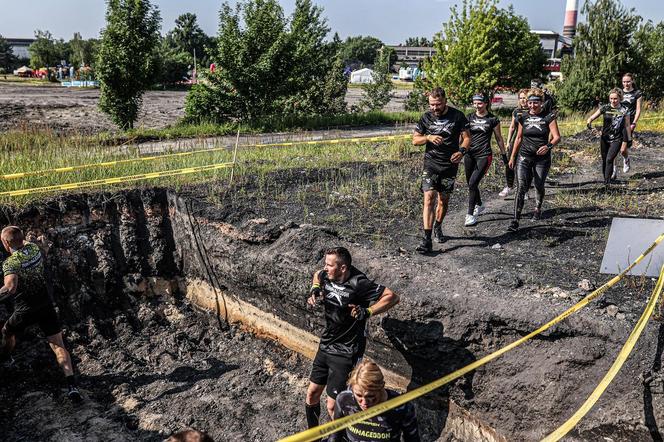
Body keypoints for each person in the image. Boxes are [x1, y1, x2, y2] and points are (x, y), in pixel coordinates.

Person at [305, 247, 399, 429]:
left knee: (333, 405)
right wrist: (315, 289)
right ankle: (313, 437)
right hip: (326, 344)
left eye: (329, 265)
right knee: (312, 394)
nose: (325, 268)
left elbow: (392, 297)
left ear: (343, 268)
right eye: (326, 264)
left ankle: (341, 438)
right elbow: (317, 274)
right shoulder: (326, 275)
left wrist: (368, 311)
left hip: (347, 351)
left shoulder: (358, 283)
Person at [0, 226, 82, 403]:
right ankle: (72, 386)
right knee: (58, 345)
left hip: (25, 310)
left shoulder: (11, 263)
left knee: (7, 331)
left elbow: (10, 287)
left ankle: (6, 357)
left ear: (6, 243)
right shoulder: (33, 248)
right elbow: (29, 242)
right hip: (45, 306)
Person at [412, 87, 471, 252]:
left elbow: (467, 138)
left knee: (443, 200)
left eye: (437, 104)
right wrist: (428, 137)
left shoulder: (457, 116)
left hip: (449, 165)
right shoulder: (426, 117)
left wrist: (461, 152)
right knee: (429, 198)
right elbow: (415, 140)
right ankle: (426, 239)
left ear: (445, 101)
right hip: (430, 163)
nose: (434, 108)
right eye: (431, 104)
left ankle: (438, 225)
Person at [507, 88, 561, 232]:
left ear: (541, 103)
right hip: (524, 155)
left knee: (538, 184)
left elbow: (557, 137)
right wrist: (512, 156)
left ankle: (538, 207)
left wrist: (548, 146)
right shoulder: (523, 116)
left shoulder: (549, 116)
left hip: (542, 158)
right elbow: (518, 137)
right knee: (521, 186)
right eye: (530, 103)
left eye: (535, 103)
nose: (532, 106)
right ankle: (515, 220)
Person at [328, 360, 419, 442]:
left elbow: (412, 439)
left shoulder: (402, 407)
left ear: (382, 387)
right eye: (358, 395)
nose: (364, 403)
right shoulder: (344, 400)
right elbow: (335, 434)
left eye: (370, 396)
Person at [464, 92, 506, 226]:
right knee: (470, 183)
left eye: (479, 103)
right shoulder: (469, 117)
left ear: (486, 103)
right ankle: (480, 204)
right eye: (475, 103)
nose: (476, 106)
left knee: (472, 183)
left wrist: (504, 155)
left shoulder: (493, 119)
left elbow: (499, 138)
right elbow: (463, 136)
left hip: (484, 155)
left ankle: (470, 215)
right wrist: (459, 150)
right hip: (469, 155)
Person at [586, 88, 631, 185]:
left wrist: (628, 139)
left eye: (615, 99)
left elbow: (627, 125)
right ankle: (606, 178)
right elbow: (591, 117)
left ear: (620, 98)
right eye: (611, 98)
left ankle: (607, 183)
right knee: (604, 159)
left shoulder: (624, 109)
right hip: (605, 138)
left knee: (610, 159)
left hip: (617, 138)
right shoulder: (605, 108)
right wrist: (589, 123)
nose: (613, 101)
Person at [500, 89, 529, 198]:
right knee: (510, 164)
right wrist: (508, 142)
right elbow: (512, 127)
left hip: (528, 142)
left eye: (525, 97)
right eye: (521, 98)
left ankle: (524, 190)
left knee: (525, 166)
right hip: (516, 141)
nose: (523, 100)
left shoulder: (533, 111)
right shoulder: (516, 111)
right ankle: (509, 186)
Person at [620, 73, 642, 174]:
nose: (626, 84)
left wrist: (634, 123)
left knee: (623, 149)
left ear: (632, 81)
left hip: (629, 123)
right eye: (624, 82)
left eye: (628, 81)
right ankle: (614, 170)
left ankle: (626, 159)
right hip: (618, 121)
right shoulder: (619, 92)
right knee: (614, 146)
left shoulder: (637, 93)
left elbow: (638, 110)